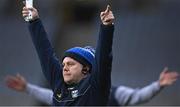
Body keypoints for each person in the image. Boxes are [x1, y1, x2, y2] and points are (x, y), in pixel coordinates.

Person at [22, 3, 115, 106]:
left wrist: (106, 28)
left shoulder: (96, 86)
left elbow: (103, 59)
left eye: (70, 64)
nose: (65, 68)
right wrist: (34, 21)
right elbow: (45, 53)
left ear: (86, 68)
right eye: (64, 65)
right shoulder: (59, 85)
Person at [5, 68, 179, 106]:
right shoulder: (72, 95)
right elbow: (51, 96)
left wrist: (158, 85)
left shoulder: (114, 93)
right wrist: (28, 88)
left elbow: (138, 96)